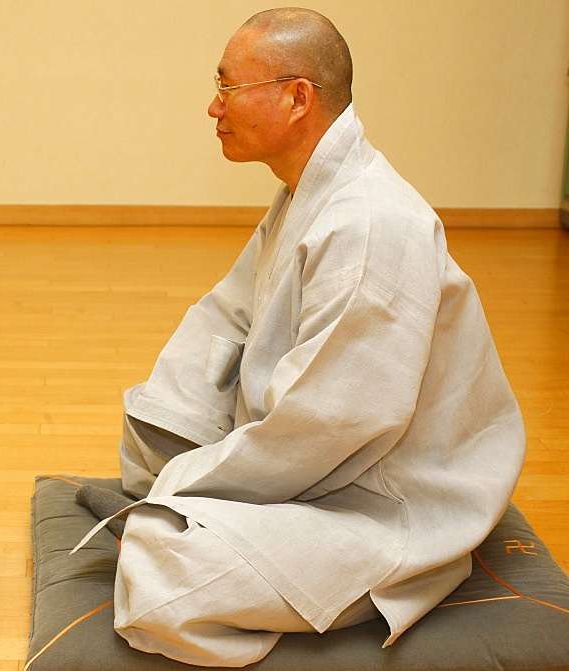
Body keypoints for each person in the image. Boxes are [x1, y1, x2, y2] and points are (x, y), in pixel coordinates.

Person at [71, 7, 525, 668]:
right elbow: (225, 319)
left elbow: (332, 427)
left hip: (383, 497)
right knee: (151, 425)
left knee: (160, 573)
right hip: (309, 454)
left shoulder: (371, 223)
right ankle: (214, 527)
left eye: (227, 88)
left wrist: (185, 487)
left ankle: (305, 587)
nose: (212, 107)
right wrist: (175, 443)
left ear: (297, 97)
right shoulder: (305, 193)